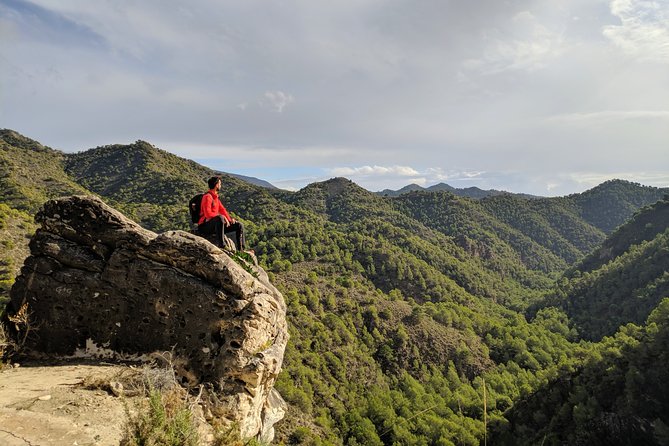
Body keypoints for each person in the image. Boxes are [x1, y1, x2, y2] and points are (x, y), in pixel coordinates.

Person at [198, 176, 245, 250]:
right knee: (220, 218)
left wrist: (230, 220)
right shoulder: (207, 197)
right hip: (205, 227)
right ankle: (222, 245)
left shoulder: (216, 198)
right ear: (216, 185)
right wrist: (222, 217)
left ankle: (241, 250)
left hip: (216, 225)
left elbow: (223, 210)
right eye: (220, 184)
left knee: (239, 225)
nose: (220, 185)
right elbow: (208, 214)